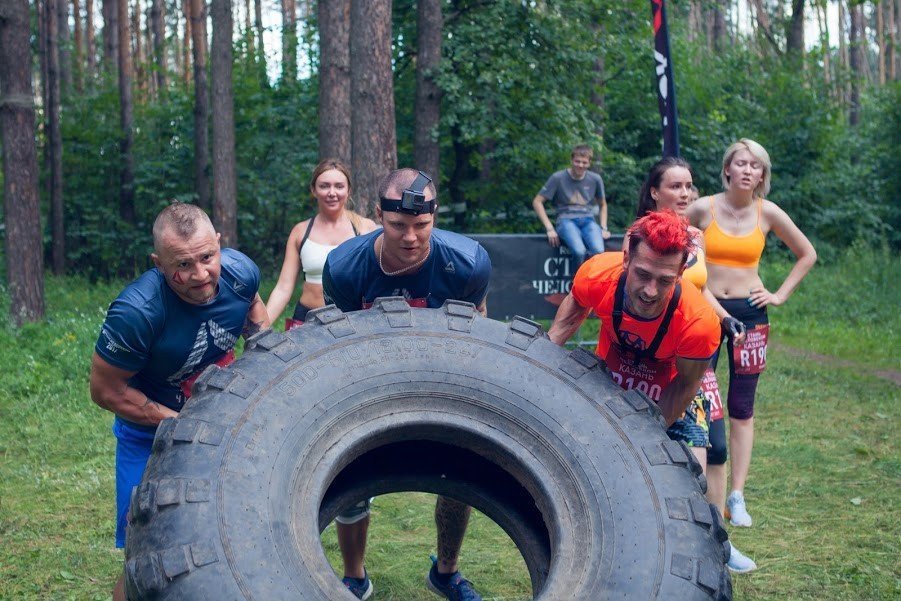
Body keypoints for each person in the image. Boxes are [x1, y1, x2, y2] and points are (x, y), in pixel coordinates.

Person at [323, 168, 491, 600]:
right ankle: (355, 577)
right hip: (368, 380)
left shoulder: (467, 263)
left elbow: (479, 337)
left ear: (435, 217)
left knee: (458, 480)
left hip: (443, 379)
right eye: (398, 225)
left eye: (422, 225)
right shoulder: (344, 268)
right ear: (378, 214)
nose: (411, 237)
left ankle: (446, 572)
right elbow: (334, 346)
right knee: (349, 479)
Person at [89, 202, 270, 601]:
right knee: (149, 549)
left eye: (207, 257)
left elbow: (254, 309)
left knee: (230, 532)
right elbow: (106, 391)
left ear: (220, 244)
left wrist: (260, 365)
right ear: (157, 262)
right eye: (183, 265)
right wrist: (182, 425)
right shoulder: (137, 312)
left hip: (223, 424)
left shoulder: (240, 273)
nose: (200, 275)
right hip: (148, 439)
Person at [687, 139, 816, 534]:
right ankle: (697, 486)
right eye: (740, 163)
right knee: (700, 399)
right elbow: (684, 255)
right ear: (727, 170)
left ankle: (736, 496)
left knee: (743, 406)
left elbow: (806, 254)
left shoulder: (768, 212)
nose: (747, 170)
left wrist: (777, 295)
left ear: (762, 175)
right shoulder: (701, 208)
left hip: (751, 315)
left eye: (755, 165)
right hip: (708, 312)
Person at [636, 157, 756, 573]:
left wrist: (725, 318)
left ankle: (717, 545)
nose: (686, 194)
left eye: (690, 186)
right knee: (653, 452)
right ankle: (657, 543)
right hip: (655, 361)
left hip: (698, 356)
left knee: (715, 448)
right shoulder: (640, 237)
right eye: (676, 186)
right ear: (654, 191)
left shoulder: (694, 236)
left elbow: (697, 289)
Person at [265, 158, 378, 328]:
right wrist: (259, 330)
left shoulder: (366, 228)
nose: (332, 192)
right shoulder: (300, 231)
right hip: (306, 321)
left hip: (352, 323)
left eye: (339, 186)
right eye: (324, 186)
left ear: (349, 191)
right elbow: (283, 287)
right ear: (314, 190)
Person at [531, 144, 611, 266]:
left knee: (599, 252)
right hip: (566, 220)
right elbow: (537, 201)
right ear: (571, 160)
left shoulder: (595, 179)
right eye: (577, 161)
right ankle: (577, 283)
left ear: (589, 163)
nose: (580, 165)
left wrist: (604, 227)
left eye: (584, 162)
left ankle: (594, 283)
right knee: (579, 251)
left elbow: (603, 204)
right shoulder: (558, 177)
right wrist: (549, 228)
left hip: (588, 220)